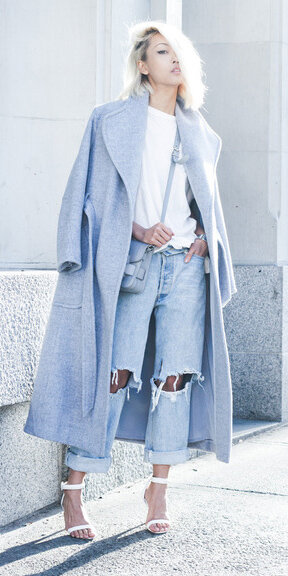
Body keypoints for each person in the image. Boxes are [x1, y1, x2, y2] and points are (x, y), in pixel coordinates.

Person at [24, 20, 237, 540]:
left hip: (185, 264)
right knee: (112, 372)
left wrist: (207, 239)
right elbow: (87, 193)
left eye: (179, 51)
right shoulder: (110, 120)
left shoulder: (201, 133)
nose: (174, 59)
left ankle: (158, 488)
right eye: (162, 51)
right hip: (133, 260)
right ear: (143, 65)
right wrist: (137, 230)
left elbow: (204, 204)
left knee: (175, 378)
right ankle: (75, 492)